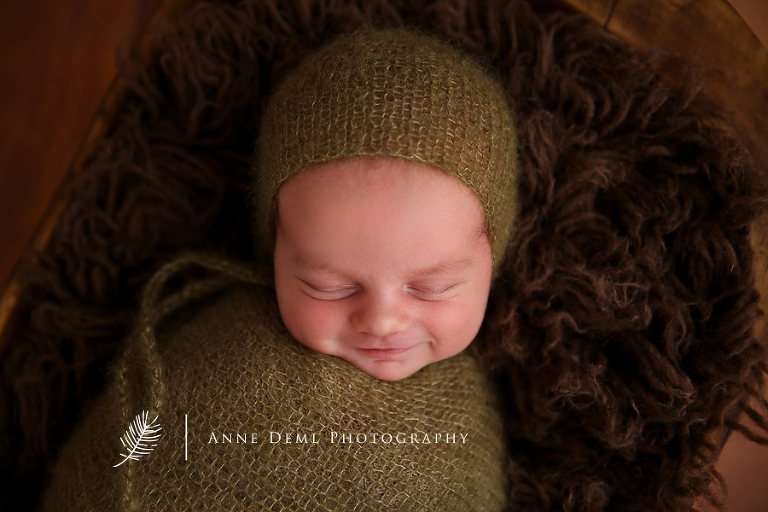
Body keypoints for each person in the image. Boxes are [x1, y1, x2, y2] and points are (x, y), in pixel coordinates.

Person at [40, 28, 518, 511]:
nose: (381, 321)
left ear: (490, 262)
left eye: (433, 287)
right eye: (328, 285)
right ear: (275, 251)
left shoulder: (463, 421)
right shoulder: (216, 350)